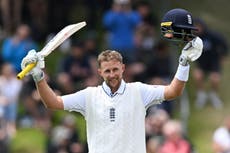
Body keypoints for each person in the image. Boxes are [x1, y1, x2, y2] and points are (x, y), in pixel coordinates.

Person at [20, 8, 203, 153]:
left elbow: (173, 91)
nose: (112, 74)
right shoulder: (90, 96)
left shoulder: (138, 91)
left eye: (116, 69)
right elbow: (53, 103)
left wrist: (184, 62)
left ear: (123, 68)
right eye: (107, 71)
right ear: (100, 72)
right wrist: (38, 75)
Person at [192, 18, 228, 109]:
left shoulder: (212, 35)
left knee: (215, 78)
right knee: (197, 75)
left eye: (198, 26)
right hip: (201, 63)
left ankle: (213, 95)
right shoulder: (194, 38)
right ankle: (201, 95)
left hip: (213, 62)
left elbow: (224, 44)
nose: (197, 28)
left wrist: (223, 56)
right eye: (195, 26)